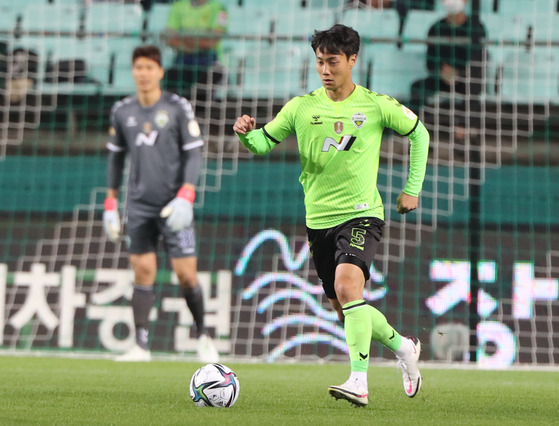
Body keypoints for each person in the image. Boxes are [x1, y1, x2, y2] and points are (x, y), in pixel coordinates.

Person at [233, 24, 429, 407]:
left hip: (362, 215)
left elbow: (418, 134)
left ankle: (359, 381)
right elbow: (262, 143)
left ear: (352, 60)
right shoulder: (300, 108)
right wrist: (245, 134)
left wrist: (412, 188)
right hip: (318, 222)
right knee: (347, 309)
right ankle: (404, 347)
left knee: (346, 287)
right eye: (320, 61)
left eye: (333, 61)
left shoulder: (375, 105)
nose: (325, 69)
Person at [102, 45, 219, 363]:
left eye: (149, 67)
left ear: (160, 72)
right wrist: (110, 202)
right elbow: (115, 158)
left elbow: (194, 152)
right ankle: (140, 345)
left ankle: (203, 336)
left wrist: (187, 194)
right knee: (142, 270)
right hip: (139, 206)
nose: (143, 73)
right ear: (133, 71)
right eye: (138, 67)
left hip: (174, 205)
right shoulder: (122, 110)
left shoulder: (177, 107)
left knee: (186, 274)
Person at [409, 0, 486, 112]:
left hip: (465, 79)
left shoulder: (476, 28)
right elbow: (430, 62)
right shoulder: (436, 28)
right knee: (417, 88)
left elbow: (479, 61)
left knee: (473, 89)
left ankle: (464, 127)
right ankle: (415, 126)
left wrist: (459, 74)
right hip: (441, 79)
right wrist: (441, 71)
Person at [163, 0, 228, 112]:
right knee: (168, 82)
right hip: (182, 61)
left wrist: (183, 39)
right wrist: (200, 41)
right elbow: (170, 40)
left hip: (209, 62)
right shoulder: (178, 6)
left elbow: (212, 42)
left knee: (204, 91)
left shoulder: (218, 8)